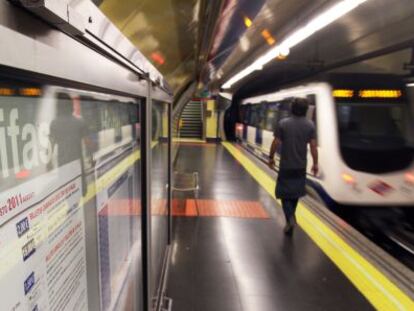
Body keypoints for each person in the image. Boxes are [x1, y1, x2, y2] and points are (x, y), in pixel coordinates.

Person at [268, 98, 318, 235]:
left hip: (286, 166)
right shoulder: (310, 125)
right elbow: (313, 146)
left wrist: (271, 158)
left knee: (284, 194)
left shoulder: (283, 123)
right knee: (295, 194)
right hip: (300, 166)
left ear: (292, 108)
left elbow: (276, 142)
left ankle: (290, 218)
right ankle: (290, 220)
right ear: (305, 110)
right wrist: (315, 164)